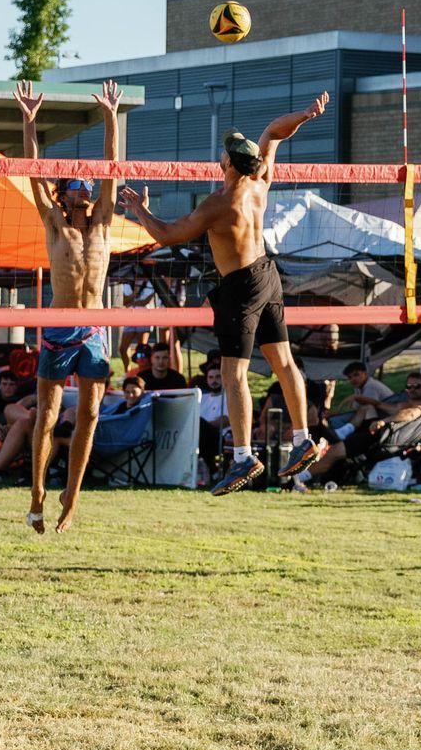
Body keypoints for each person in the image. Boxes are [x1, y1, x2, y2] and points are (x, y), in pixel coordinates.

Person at [118, 91, 331, 495]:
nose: (221, 154)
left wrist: (140, 210)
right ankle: (303, 438)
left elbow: (168, 234)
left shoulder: (218, 203)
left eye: (224, 152)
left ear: (229, 163)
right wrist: (305, 116)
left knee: (234, 373)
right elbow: (274, 132)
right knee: (284, 361)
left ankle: (243, 457)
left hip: (241, 288)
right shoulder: (260, 181)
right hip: (267, 274)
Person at [15, 79, 125, 532]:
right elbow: (32, 171)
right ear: (64, 193)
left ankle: (72, 496)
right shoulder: (55, 225)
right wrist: (29, 121)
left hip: (95, 329)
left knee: (91, 414)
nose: (85, 188)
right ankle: (37, 493)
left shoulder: (103, 222)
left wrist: (110, 117)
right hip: (60, 327)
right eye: (76, 184)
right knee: (46, 415)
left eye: (87, 184)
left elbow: (112, 168)